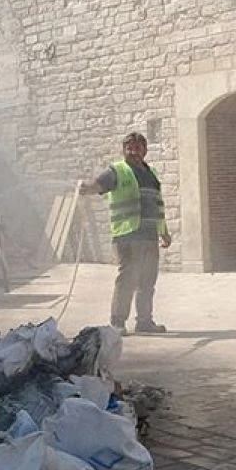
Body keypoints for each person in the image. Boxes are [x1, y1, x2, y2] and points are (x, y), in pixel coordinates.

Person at [79, 132, 172, 335]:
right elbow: (97, 185)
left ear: (145, 151)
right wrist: (86, 188)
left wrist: (164, 232)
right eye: (129, 148)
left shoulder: (151, 174)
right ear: (124, 150)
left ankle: (145, 322)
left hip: (149, 236)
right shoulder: (117, 171)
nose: (133, 152)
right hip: (127, 235)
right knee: (128, 279)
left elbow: (157, 205)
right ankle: (118, 322)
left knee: (147, 281)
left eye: (138, 148)